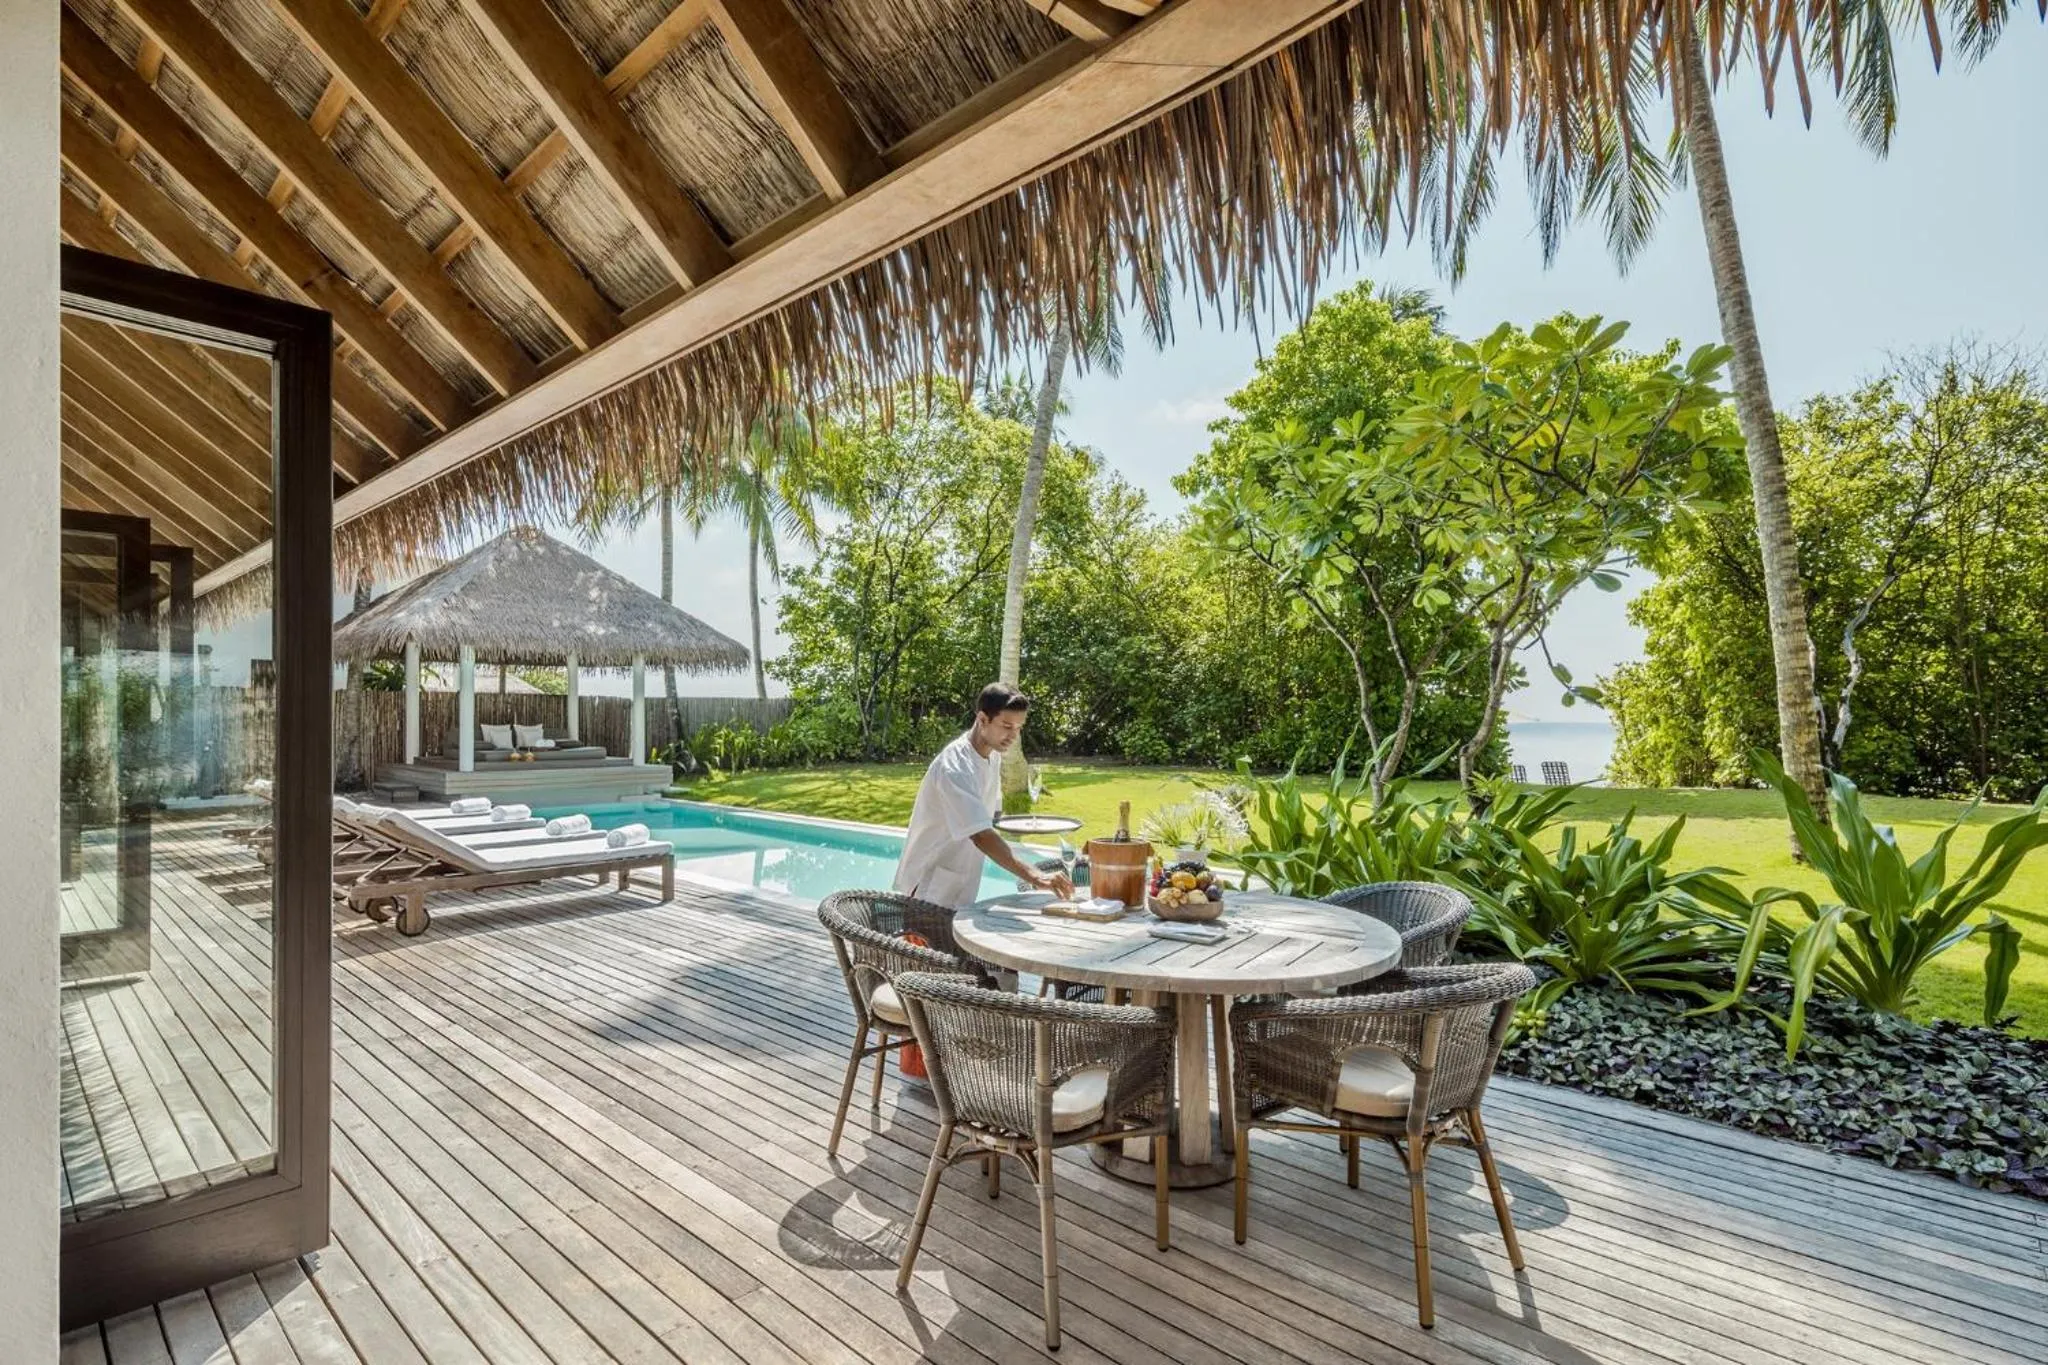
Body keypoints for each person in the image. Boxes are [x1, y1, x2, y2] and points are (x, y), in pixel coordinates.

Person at [893, 683, 1075, 906]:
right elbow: (981, 835)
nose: (1013, 735)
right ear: (982, 719)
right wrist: (1036, 876)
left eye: (1019, 728)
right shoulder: (955, 767)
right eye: (1007, 726)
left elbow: (990, 817)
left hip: (959, 881)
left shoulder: (992, 754)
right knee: (930, 942)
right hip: (928, 887)